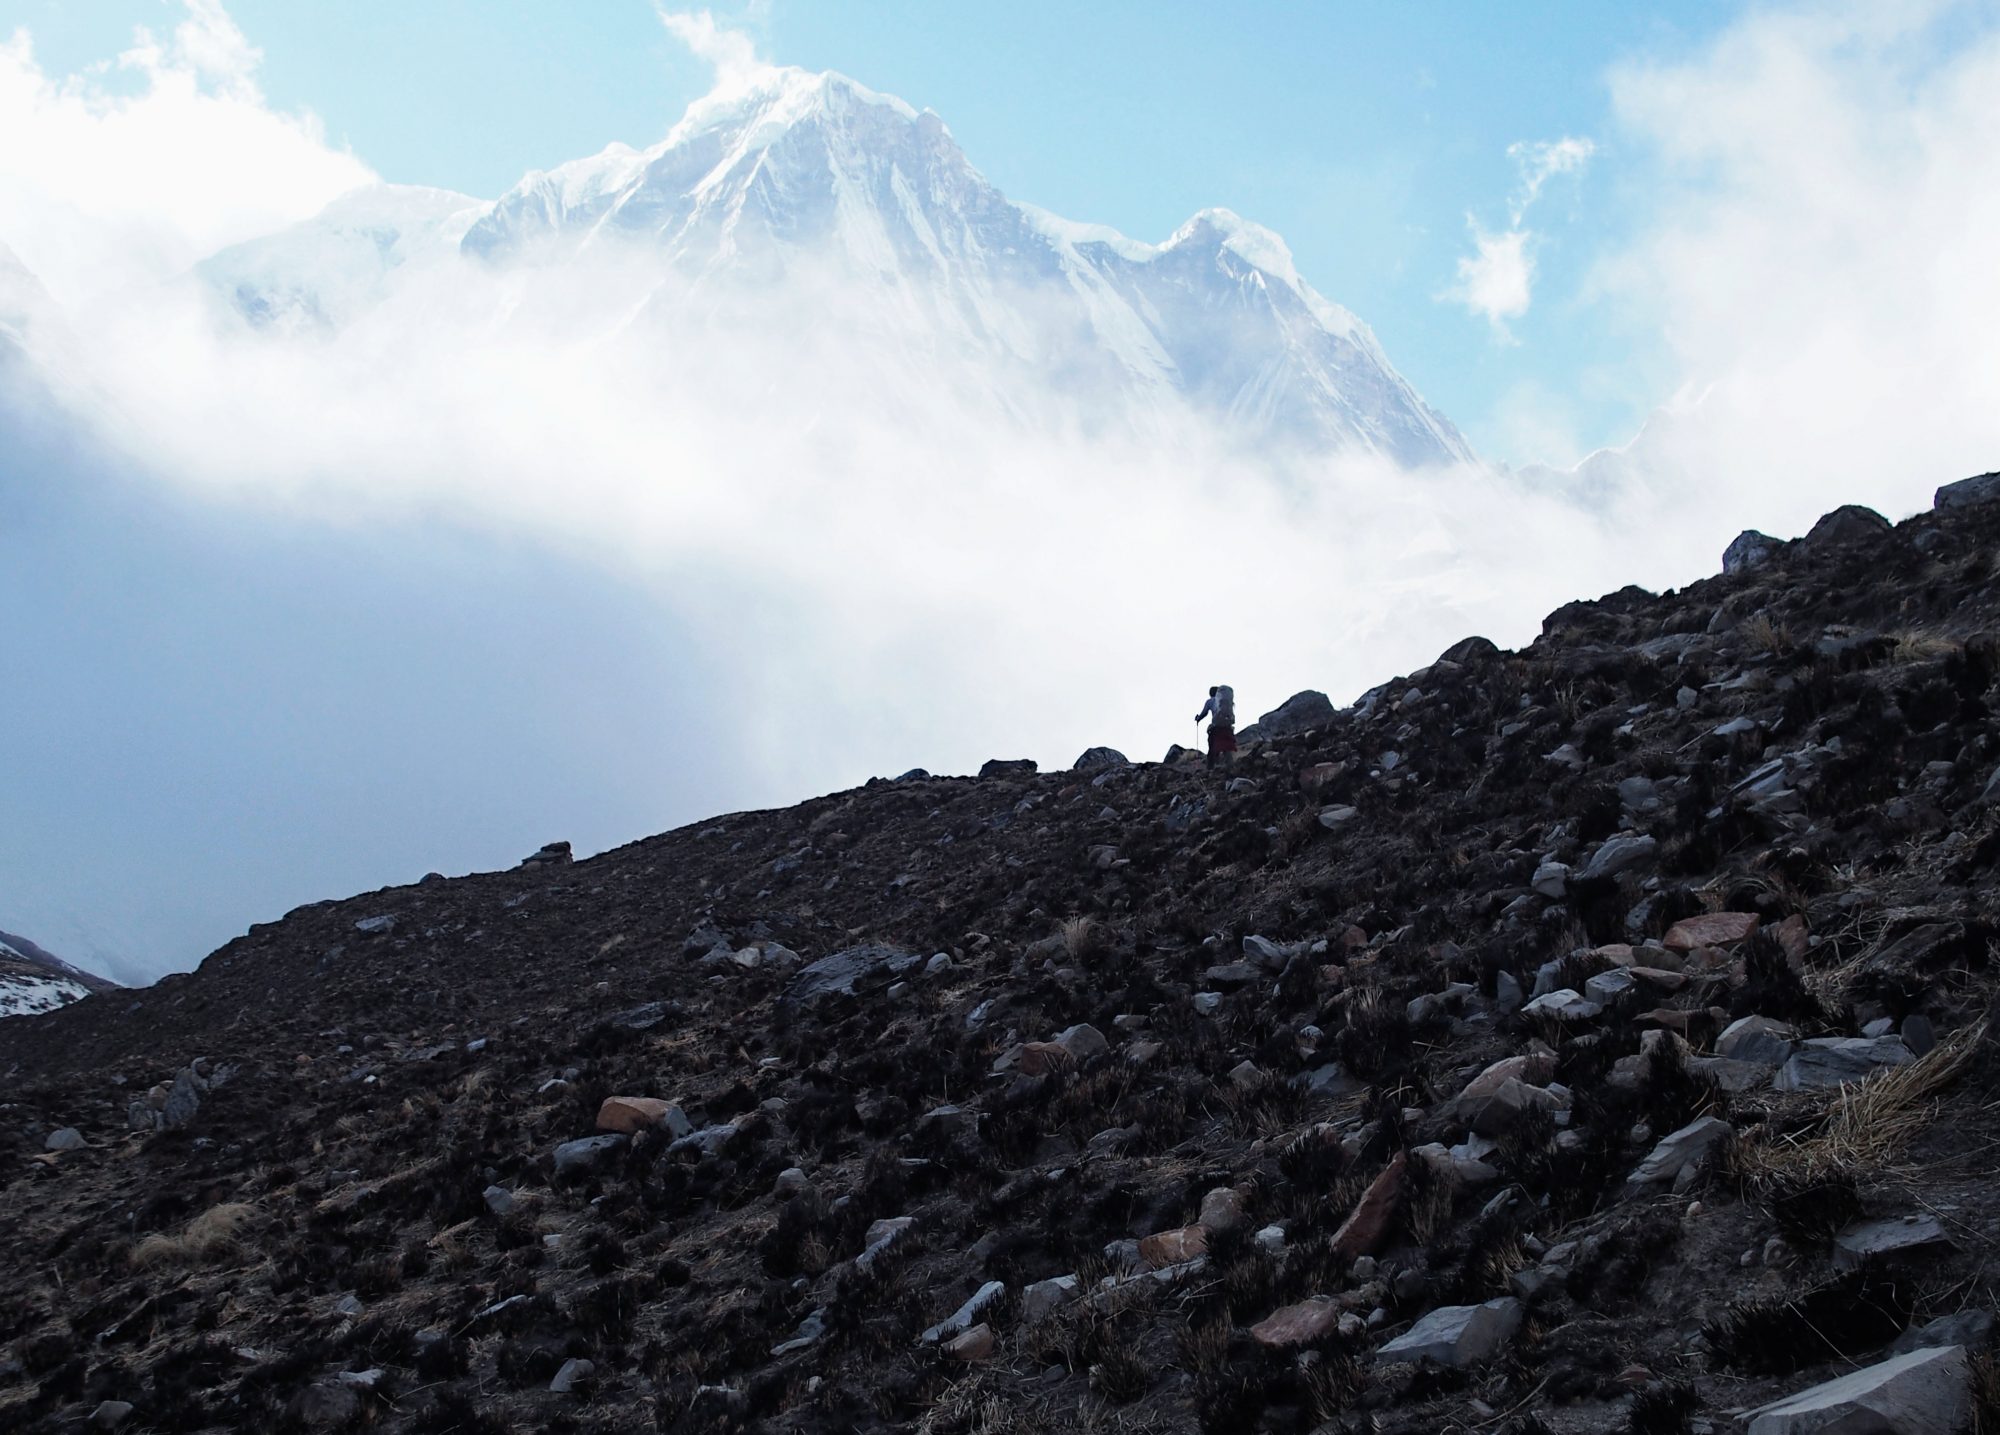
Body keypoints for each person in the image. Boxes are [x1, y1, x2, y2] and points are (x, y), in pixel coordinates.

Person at [1195, 684, 1237, 770]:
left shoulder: (1210, 701)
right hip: (1227, 727)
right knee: (1227, 747)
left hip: (1216, 727)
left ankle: (1211, 768)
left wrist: (1198, 718)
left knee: (1212, 747)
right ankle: (1230, 766)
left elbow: (1204, 713)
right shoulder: (1226, 702)